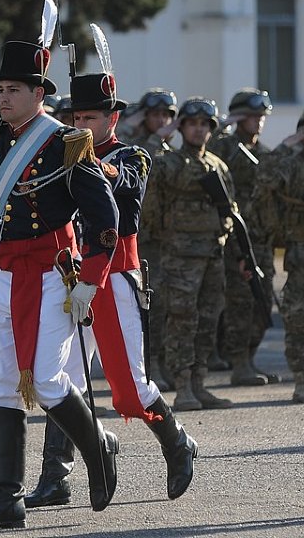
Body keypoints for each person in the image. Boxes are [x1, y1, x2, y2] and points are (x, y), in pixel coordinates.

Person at [0, 40, 120, 529]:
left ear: (39, 93)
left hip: (54, 276)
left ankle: (97, 449)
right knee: (0, 381)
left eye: (14, 89)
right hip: (4, 274)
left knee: (49, 379)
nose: (4, 98)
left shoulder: (65, 143)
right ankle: (6, 498)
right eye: (1, 89)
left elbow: (105, 218)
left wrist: (91, 281)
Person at [24, 70, 197, 509]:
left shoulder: (133, 155)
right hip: (71, 279)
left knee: (131, 387)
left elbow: (122, 181)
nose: (82, 125)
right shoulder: (59, 155)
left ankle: (176, 441)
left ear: (111, 119)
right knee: (61, 379)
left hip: (116, 277)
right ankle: (56, 476)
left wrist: (86, 162)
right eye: (77, 116)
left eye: (92, 117)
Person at [144, 97, 236, 411]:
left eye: (204, 125)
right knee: (181, 320)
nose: (198, 130)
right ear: (181, 127)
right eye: (192, 124)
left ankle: (200, 384)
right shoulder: (169, 162)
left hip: (212, 253)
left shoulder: (217, 165)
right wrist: (160, 136)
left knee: (209, 320)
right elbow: (147, 174)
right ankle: (182, 385)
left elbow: (230, 208)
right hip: (180, 256)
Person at [254, 105, 304, 403]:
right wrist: (286, 145)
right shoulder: (292, 163)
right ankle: (303, 380)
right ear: (303, 134)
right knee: (302, 319)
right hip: (303, 254)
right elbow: (264, 177)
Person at [208, 88, 276, 386]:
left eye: (261, 116)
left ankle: (248, 357)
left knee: (262, 303)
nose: (258, 122)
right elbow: (202, 151)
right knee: (239, 303)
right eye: (251, 116)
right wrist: (224, 123)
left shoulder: (264, 153)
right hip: (233, 237)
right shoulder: (224, 147)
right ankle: (239, 363)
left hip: (260, 238)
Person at [131, 88, 179, 390]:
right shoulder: (137, 147)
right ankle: (148, 369)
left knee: (169, 309)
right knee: (148, 309)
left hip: (170, 242)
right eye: (155, 116)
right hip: (144, 243)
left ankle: (162, 365)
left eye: (166, 116)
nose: (162, 121)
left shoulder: (170, 153)